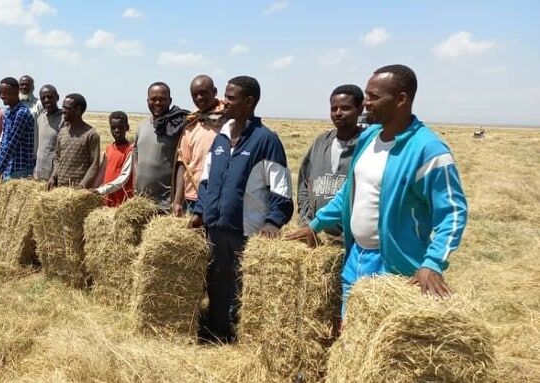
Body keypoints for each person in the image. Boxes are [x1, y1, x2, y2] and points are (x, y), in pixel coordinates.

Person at [285, 64, 468, 318]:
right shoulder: (369, 137)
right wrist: (315, 225)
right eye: (366, 95)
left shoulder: (429, 150)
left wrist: (433, 263)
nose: (366, 103)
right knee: (351, 338)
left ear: (402, 99)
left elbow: (453, 212)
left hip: (395, 268)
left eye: (374, 97)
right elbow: (349, 193)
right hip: (355, 258)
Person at [189, 75, 294, 344]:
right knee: (217, 281)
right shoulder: (221, 137)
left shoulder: (265, 140)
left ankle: (239, 336)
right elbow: (206, 179)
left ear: (250, 102)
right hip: (215, 225)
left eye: (232, 98)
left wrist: (273, 220)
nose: (225, 102)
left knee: (243, 284)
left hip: (247, 228)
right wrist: (200, 211)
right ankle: (215, 332)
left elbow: (280, 186)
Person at [297, 84, 365, 237]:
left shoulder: (368, 145)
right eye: (334, 109)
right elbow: (304, 182)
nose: (338, 113)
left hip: (351, 240)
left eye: (345, 108)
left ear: (360, 110)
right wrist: (305, 219)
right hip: (317, 236)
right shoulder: (321, 142)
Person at [173, 75, 225, 217]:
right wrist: (177, 200)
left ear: (214, 91)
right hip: (193, 197)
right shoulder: (191, 124)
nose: (199, 98)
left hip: (220, 197)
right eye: (195, 95)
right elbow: (184, 163)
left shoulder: (229, 120)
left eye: (203, 92)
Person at [134, 82, 189, 212]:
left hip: (165, 204)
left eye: (162, 99)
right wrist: (135, 184)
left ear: (170, 101)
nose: (157, 103)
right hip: (142, 201)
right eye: (153, 99)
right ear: (147, 101)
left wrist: (177, 201)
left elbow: (184, 164)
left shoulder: (176, 128)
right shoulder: (142, 126)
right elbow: (135, 154)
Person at [0, 77, 36, 181]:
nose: (2, 96)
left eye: (5, 93)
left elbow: (11, 144)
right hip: (8, 168)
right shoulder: (8, 112)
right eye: (0, 93)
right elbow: (3, 143)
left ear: (16, 92)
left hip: (20, 170)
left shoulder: (21, 113)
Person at [47, 93, 100, 190]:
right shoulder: (62, 132)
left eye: (67, 108)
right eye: (63, 107)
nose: (63, 111)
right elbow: (57, 158)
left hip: (78, 192)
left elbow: (94, 164)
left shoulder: (91, 135)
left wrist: (82, 186)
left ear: (78, 110)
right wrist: (53, 176)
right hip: (60, 189)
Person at [93, 111, 134, 207]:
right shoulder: (109, 148)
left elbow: (124, 177)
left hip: (122, 198)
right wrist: (95, 187)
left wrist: (102, 190)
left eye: (120, 127)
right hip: (107, 197)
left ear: (127, 128)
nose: (117, 130)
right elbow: (102, 171)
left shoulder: (130, 150)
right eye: (113, 128)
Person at [33, 84, 63, 181]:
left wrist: (55, 174)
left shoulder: (64, 119)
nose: (46, 100)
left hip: (55, 174)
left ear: (57, 98)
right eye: (43, 98)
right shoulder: (40, 118)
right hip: (39, 172)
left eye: (49, 97)